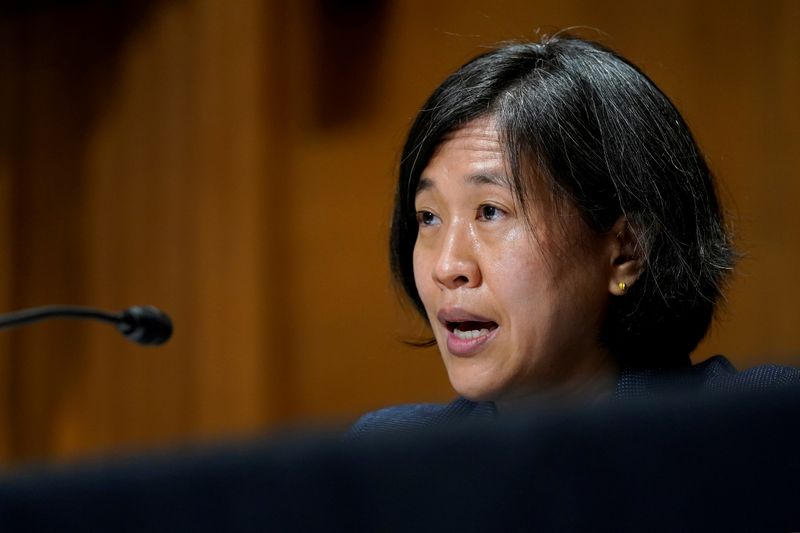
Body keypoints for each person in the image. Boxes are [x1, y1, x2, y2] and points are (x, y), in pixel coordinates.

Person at [349, 34, 800, 437]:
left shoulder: (761, 433)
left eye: (490, 211)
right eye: (428, 218)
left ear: (627, 249)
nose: (448, 267)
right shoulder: (390, 456)